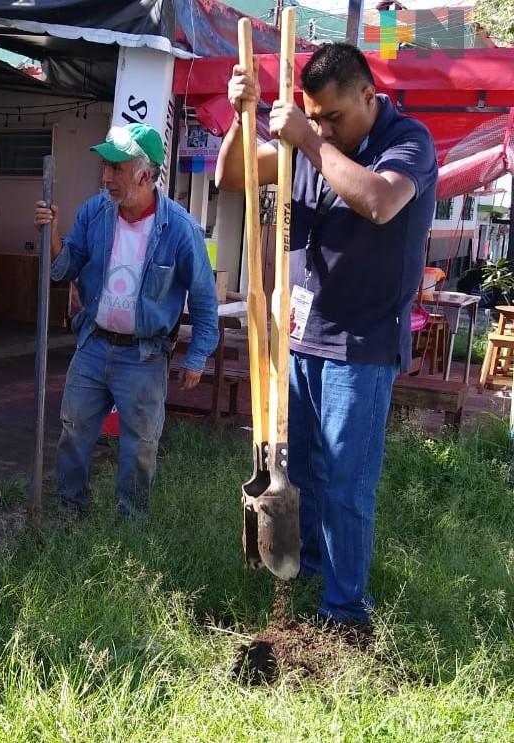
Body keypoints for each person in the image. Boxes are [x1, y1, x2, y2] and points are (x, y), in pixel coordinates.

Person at [217, 43, 438, 627]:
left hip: (360, 348)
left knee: (345, 484)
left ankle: (345, 613)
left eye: (332, 117)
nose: (322, 128)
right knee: (305, 476)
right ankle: (309, 576)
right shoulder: (312, 142)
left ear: (369, 95)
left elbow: (379, 201)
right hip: (301, 338)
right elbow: (233, 176)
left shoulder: (408, 141)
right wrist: (243, 117)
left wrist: (311, 143)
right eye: (313, 118)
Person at [35, 122, 219, 518]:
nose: (106, 177)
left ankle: (130, 526)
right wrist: (51, 235)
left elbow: (205, 298)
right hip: (93, 343)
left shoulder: (181, 230)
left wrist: (197, 356)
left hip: (144, 356)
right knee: (73, 431)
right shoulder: (95, 213)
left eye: (116, 168)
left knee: (139, 446)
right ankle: (70, 515)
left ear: (146, 175)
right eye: (105, 166)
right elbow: (67, 267)